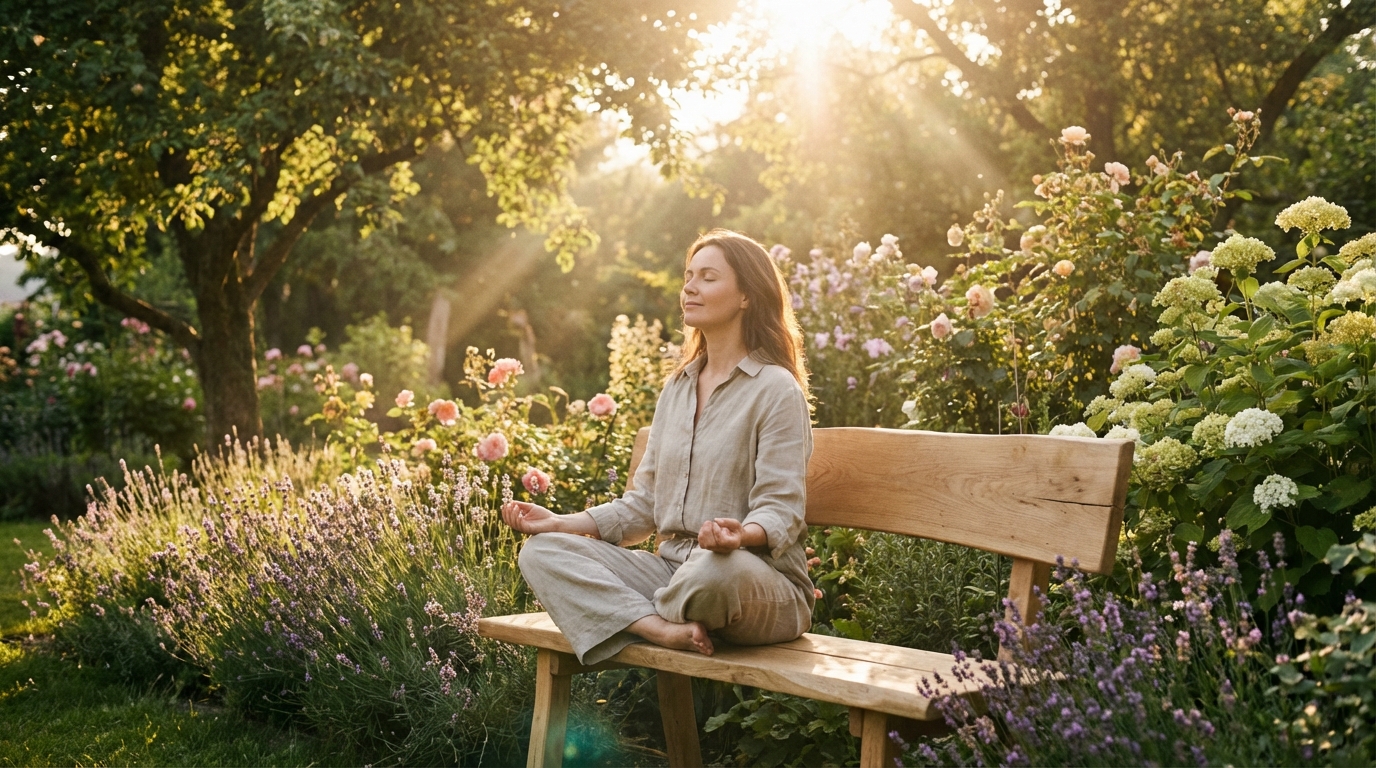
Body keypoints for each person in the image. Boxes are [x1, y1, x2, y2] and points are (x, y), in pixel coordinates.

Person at [500, 229, 815, 665]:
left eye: (707, 277)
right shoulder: (678, 388)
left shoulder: (776, 390)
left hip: (750, 577)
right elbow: (644, 506)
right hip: (673, 574)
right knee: (544, 551)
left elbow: (781, 509)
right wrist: (561, 522)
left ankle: (637, 612)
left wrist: (740, 535)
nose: (689, 287)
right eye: (689, 276)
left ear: (746, 296)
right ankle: (659, 628)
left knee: (714, 573)